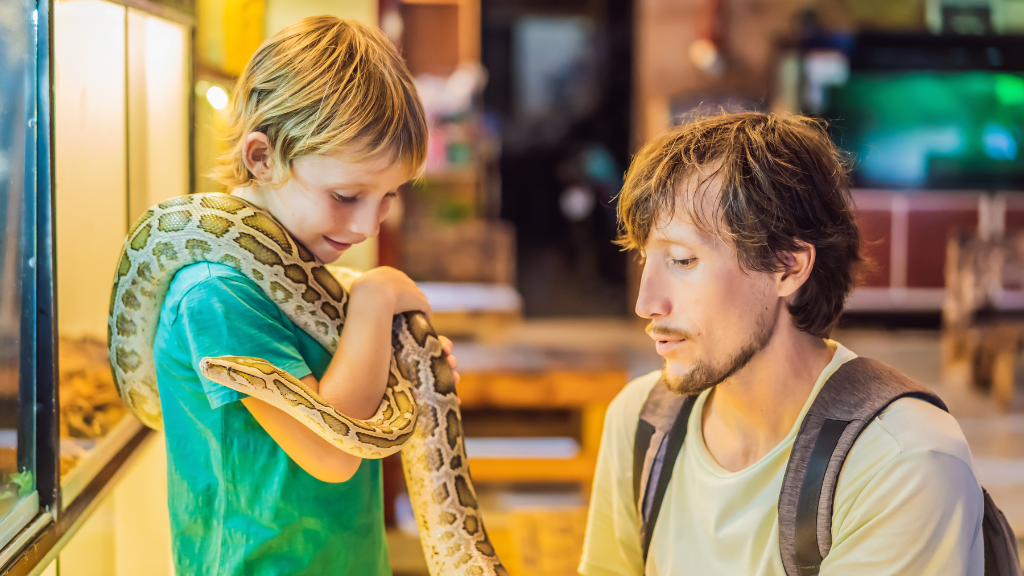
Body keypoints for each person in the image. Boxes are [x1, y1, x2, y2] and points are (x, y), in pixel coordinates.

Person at [579, 112, 984, 575]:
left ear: (788, 267)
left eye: (683, 260)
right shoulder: (642, 422)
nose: (646, 303)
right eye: (644, 258)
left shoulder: (904, 462)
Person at [152, 17, 457, 575]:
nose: (368, 225)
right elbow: (334, 451)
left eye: (387, 197)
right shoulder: (219, 295)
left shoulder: (311, 279)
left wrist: (405, 370)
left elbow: (369, 413)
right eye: (346, 195)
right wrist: (374, 296)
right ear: (262, 158)